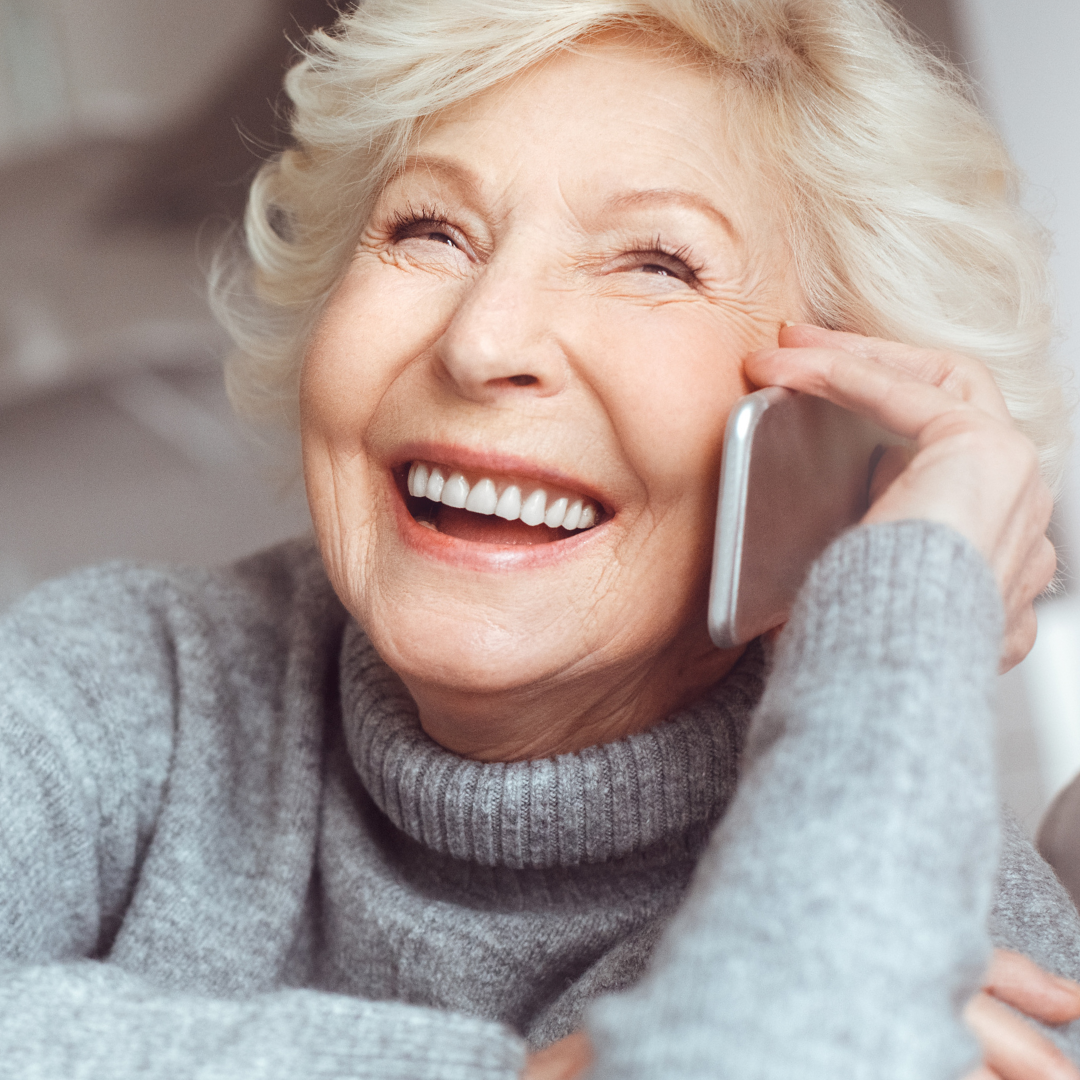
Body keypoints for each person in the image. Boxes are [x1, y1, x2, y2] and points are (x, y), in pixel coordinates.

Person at [1, 1, 1078, 1078]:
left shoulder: (933, 913)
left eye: (655, 262)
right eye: (429, 232)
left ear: (837, 435)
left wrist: (897, 590)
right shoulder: (129, 676)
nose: (484, 339)